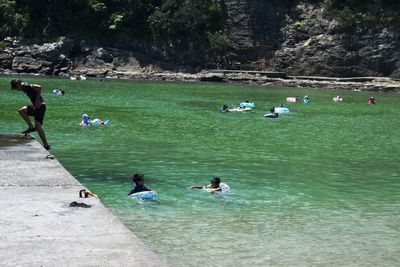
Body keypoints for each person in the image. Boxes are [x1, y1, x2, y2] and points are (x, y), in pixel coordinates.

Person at [11, 80, 50, 150]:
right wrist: (35, 103)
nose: (16, 90)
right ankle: (46, 145)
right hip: (38, 106)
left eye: (15, 88)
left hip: (40, 106)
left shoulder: (26, 86)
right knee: (38, 127)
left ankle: (31, 127)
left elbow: (39, 87)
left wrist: (37, 100)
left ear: (17, 85)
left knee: (21, 111)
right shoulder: (24, 87)